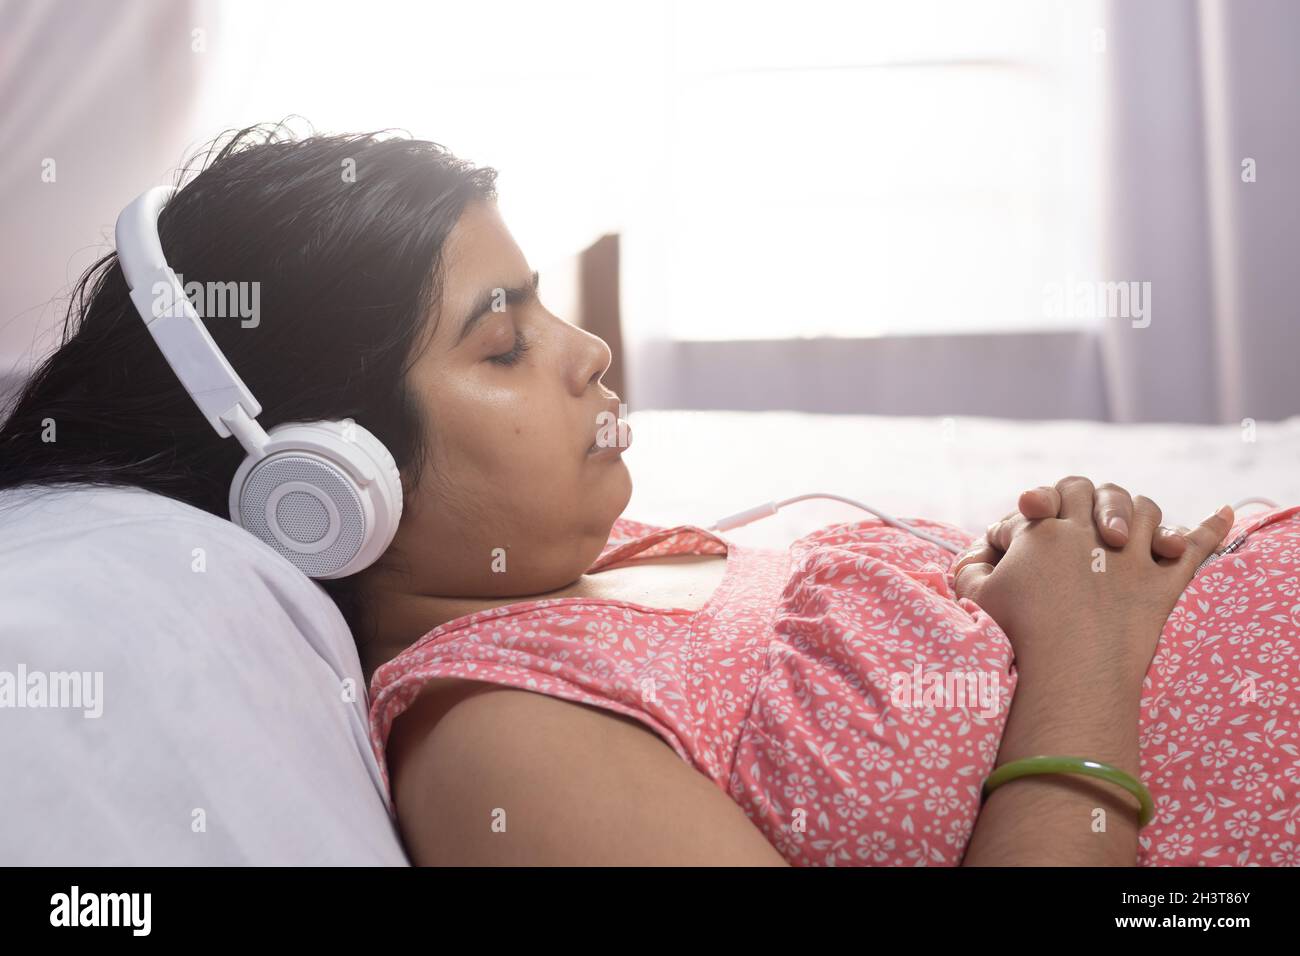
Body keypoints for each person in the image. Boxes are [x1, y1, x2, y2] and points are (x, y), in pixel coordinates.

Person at [2, 124, 1295, 866]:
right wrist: (1082, 648)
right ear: (328, 487)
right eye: (501, 345)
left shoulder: (620, 554)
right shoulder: (498, 740)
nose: (587, 351)